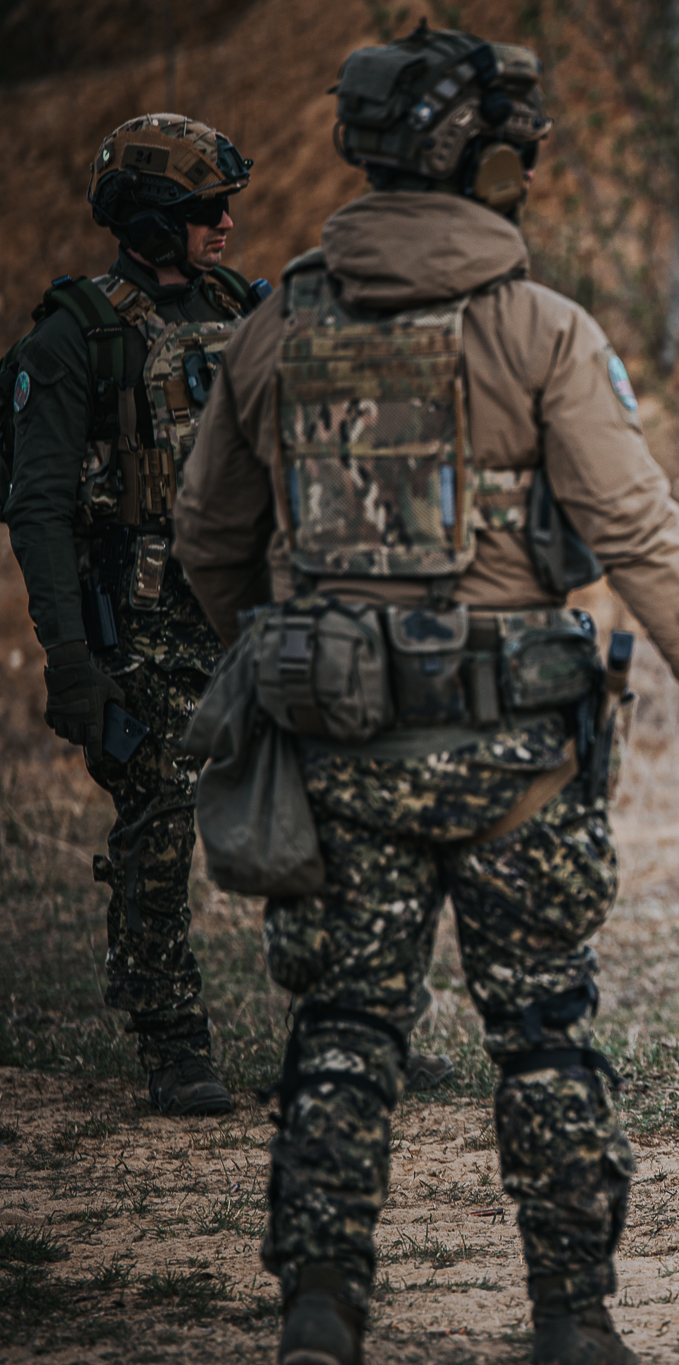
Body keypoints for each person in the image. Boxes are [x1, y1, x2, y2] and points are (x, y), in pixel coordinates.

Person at [173, 26, 679, 1365]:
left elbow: (208, 537)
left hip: (340, 749)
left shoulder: (276, 321)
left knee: (342, 1029)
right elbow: (635, 525)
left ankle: (320, 1312)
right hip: (519, 765)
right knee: (545, 1031)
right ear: (492, 161)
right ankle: (573, 1316)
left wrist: (294, 658)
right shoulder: (538, 327)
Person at [5, 113, 263, 1117]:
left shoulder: (244, 306)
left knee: (327, 800)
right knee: (157, 831)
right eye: (206, 211)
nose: (228, 225)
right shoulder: (73, 336)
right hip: (144, 622)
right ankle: (170, 1039)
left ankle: (349, 1025)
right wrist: (69, 655)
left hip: (247, 607)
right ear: (151, 221)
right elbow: (37, 505)